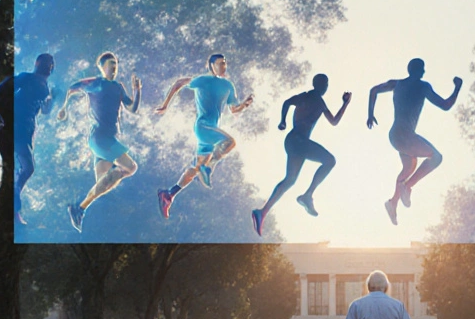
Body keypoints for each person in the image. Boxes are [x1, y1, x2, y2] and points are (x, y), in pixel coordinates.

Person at [155, 53, 254, 219]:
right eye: (220, 63)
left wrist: (244, 105)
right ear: (211, 66)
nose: (223, 66)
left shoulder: (228, 85)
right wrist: (165, 105)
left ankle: (169, 194)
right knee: (230, 142)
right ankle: (208, 167)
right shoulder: (202, 80)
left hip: (210, 131)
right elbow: (179, 83)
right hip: (203, 126)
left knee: (195, 169)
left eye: (224, 63)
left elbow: (233, 109)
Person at [251, 74, 351, 237]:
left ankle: (262, 212)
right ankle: (307, 195)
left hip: (293, 142)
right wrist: (345, 103)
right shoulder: (315, 100)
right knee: (330, 161)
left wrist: (283, 120)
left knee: (290, 179)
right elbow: (334, 121)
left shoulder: (309, 98)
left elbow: (288, 102)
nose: (326, 87)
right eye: (325, 84)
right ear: (319, 85)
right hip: (299, 141)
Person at [367, 59, 462, 225]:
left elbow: (373, 90)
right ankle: (408, 186)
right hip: (405, 135)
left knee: (409, 167)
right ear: (418, 71)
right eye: (423, 69)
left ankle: (393, 202)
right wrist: (457, 87)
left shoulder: (396, 84)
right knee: (436, 157)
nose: (424, 72)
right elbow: (446, 105)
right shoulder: (423, 86)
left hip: (396, 135)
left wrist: (370, 114)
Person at [57, 52, 142, 233]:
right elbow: (72, 88)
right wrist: (64, 108)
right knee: (131, 167)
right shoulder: (95, 83)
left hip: (108, 140)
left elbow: (132, 108)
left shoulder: (118, 87)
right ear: (102, 67)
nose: (114, 67)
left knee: (103, 183)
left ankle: (79, 209)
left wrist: (137, 91)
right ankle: (82, 205)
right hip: (100, 138)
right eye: (111, 64)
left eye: (116, 64)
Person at [0, 53, 56, 226]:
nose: (49, 65)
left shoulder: (46, 88)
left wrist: (53, 100)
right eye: (46, 62)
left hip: (27, 130)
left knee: (27, 168)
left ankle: (14, 201)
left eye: (51, 64)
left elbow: (44, 110)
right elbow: (1, 90)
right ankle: (14, 209)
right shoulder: (26, 78)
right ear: (37, 63)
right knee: (26, 167)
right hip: (15, 125)